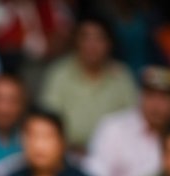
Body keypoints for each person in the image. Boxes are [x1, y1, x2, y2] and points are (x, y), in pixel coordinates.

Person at [85, 66, 170, 176]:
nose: (157, 105)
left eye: (164, 97)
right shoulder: (113, 129)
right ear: (140, 96)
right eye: (151, 95)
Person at [39, 17, 139, 151]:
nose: (91, 45)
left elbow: (133, 121)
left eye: (99, 38)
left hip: (113, 154)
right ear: (76, 41)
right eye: (85, 38)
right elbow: (47, 120)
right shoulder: (59, 74)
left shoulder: (121, 76)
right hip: (65, 153)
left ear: (109, 43)